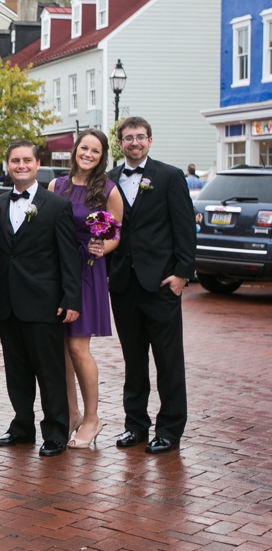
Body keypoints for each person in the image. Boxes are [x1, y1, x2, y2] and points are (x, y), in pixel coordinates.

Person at [108, 117, 195, 454]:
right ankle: (136, 425)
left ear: (150, 141)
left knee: (168, 360)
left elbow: (185, 228)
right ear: (121, 143)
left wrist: (181, 275)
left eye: (140, 137)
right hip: (123, 285)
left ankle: (170, 429)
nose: (134, 143)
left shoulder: (170, 176)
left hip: (161, 284)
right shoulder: (110, 179)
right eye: (128, 138)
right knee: (133, 361)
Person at [0, 140, 81, 458]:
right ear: (7, 164)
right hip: (7, 302)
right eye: (15, 160)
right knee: (16, 370)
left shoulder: (56, 206)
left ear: (37, 164)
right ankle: (22, 426)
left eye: (27, 160)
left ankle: (56, 431)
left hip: (45, 301)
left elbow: (69, 257)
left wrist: (72, 298)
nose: (21, 165)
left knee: (49, 370)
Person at [49, 129, 123, 449]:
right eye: (84, 148)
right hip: (57, 270)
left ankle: (93, 417)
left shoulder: (108, 190)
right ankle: (71, 412)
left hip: (88, 270)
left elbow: (116, 235)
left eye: (95, 150)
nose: (88, 154)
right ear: (75, 150)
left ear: (102, 155)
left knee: (79, 348)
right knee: (62, 350)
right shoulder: (57, 186)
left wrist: (102, 249)